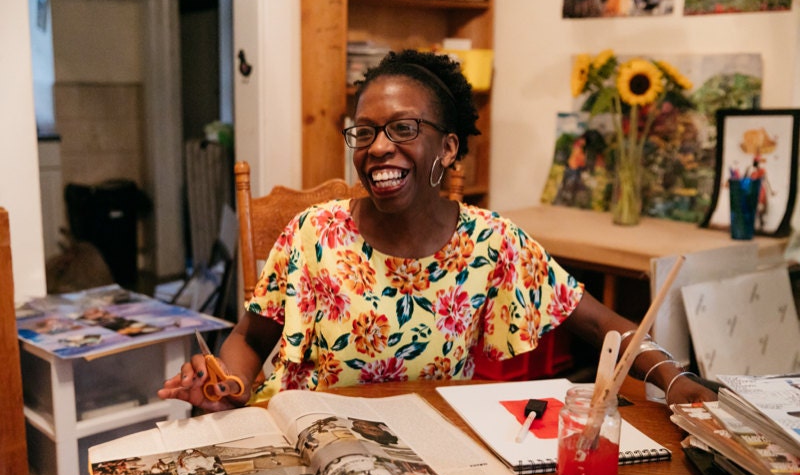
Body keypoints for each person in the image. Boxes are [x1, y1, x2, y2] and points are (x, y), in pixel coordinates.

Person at [158, 49, 716, 411]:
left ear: (448, 148)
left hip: (432, 446)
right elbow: (250, 338)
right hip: (305, 439)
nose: (379, 147)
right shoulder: (313, 233)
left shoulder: (491, 242)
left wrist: (671, 376)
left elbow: (600, 324)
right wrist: (224, 387)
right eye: (366, 131)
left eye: (403, 128)